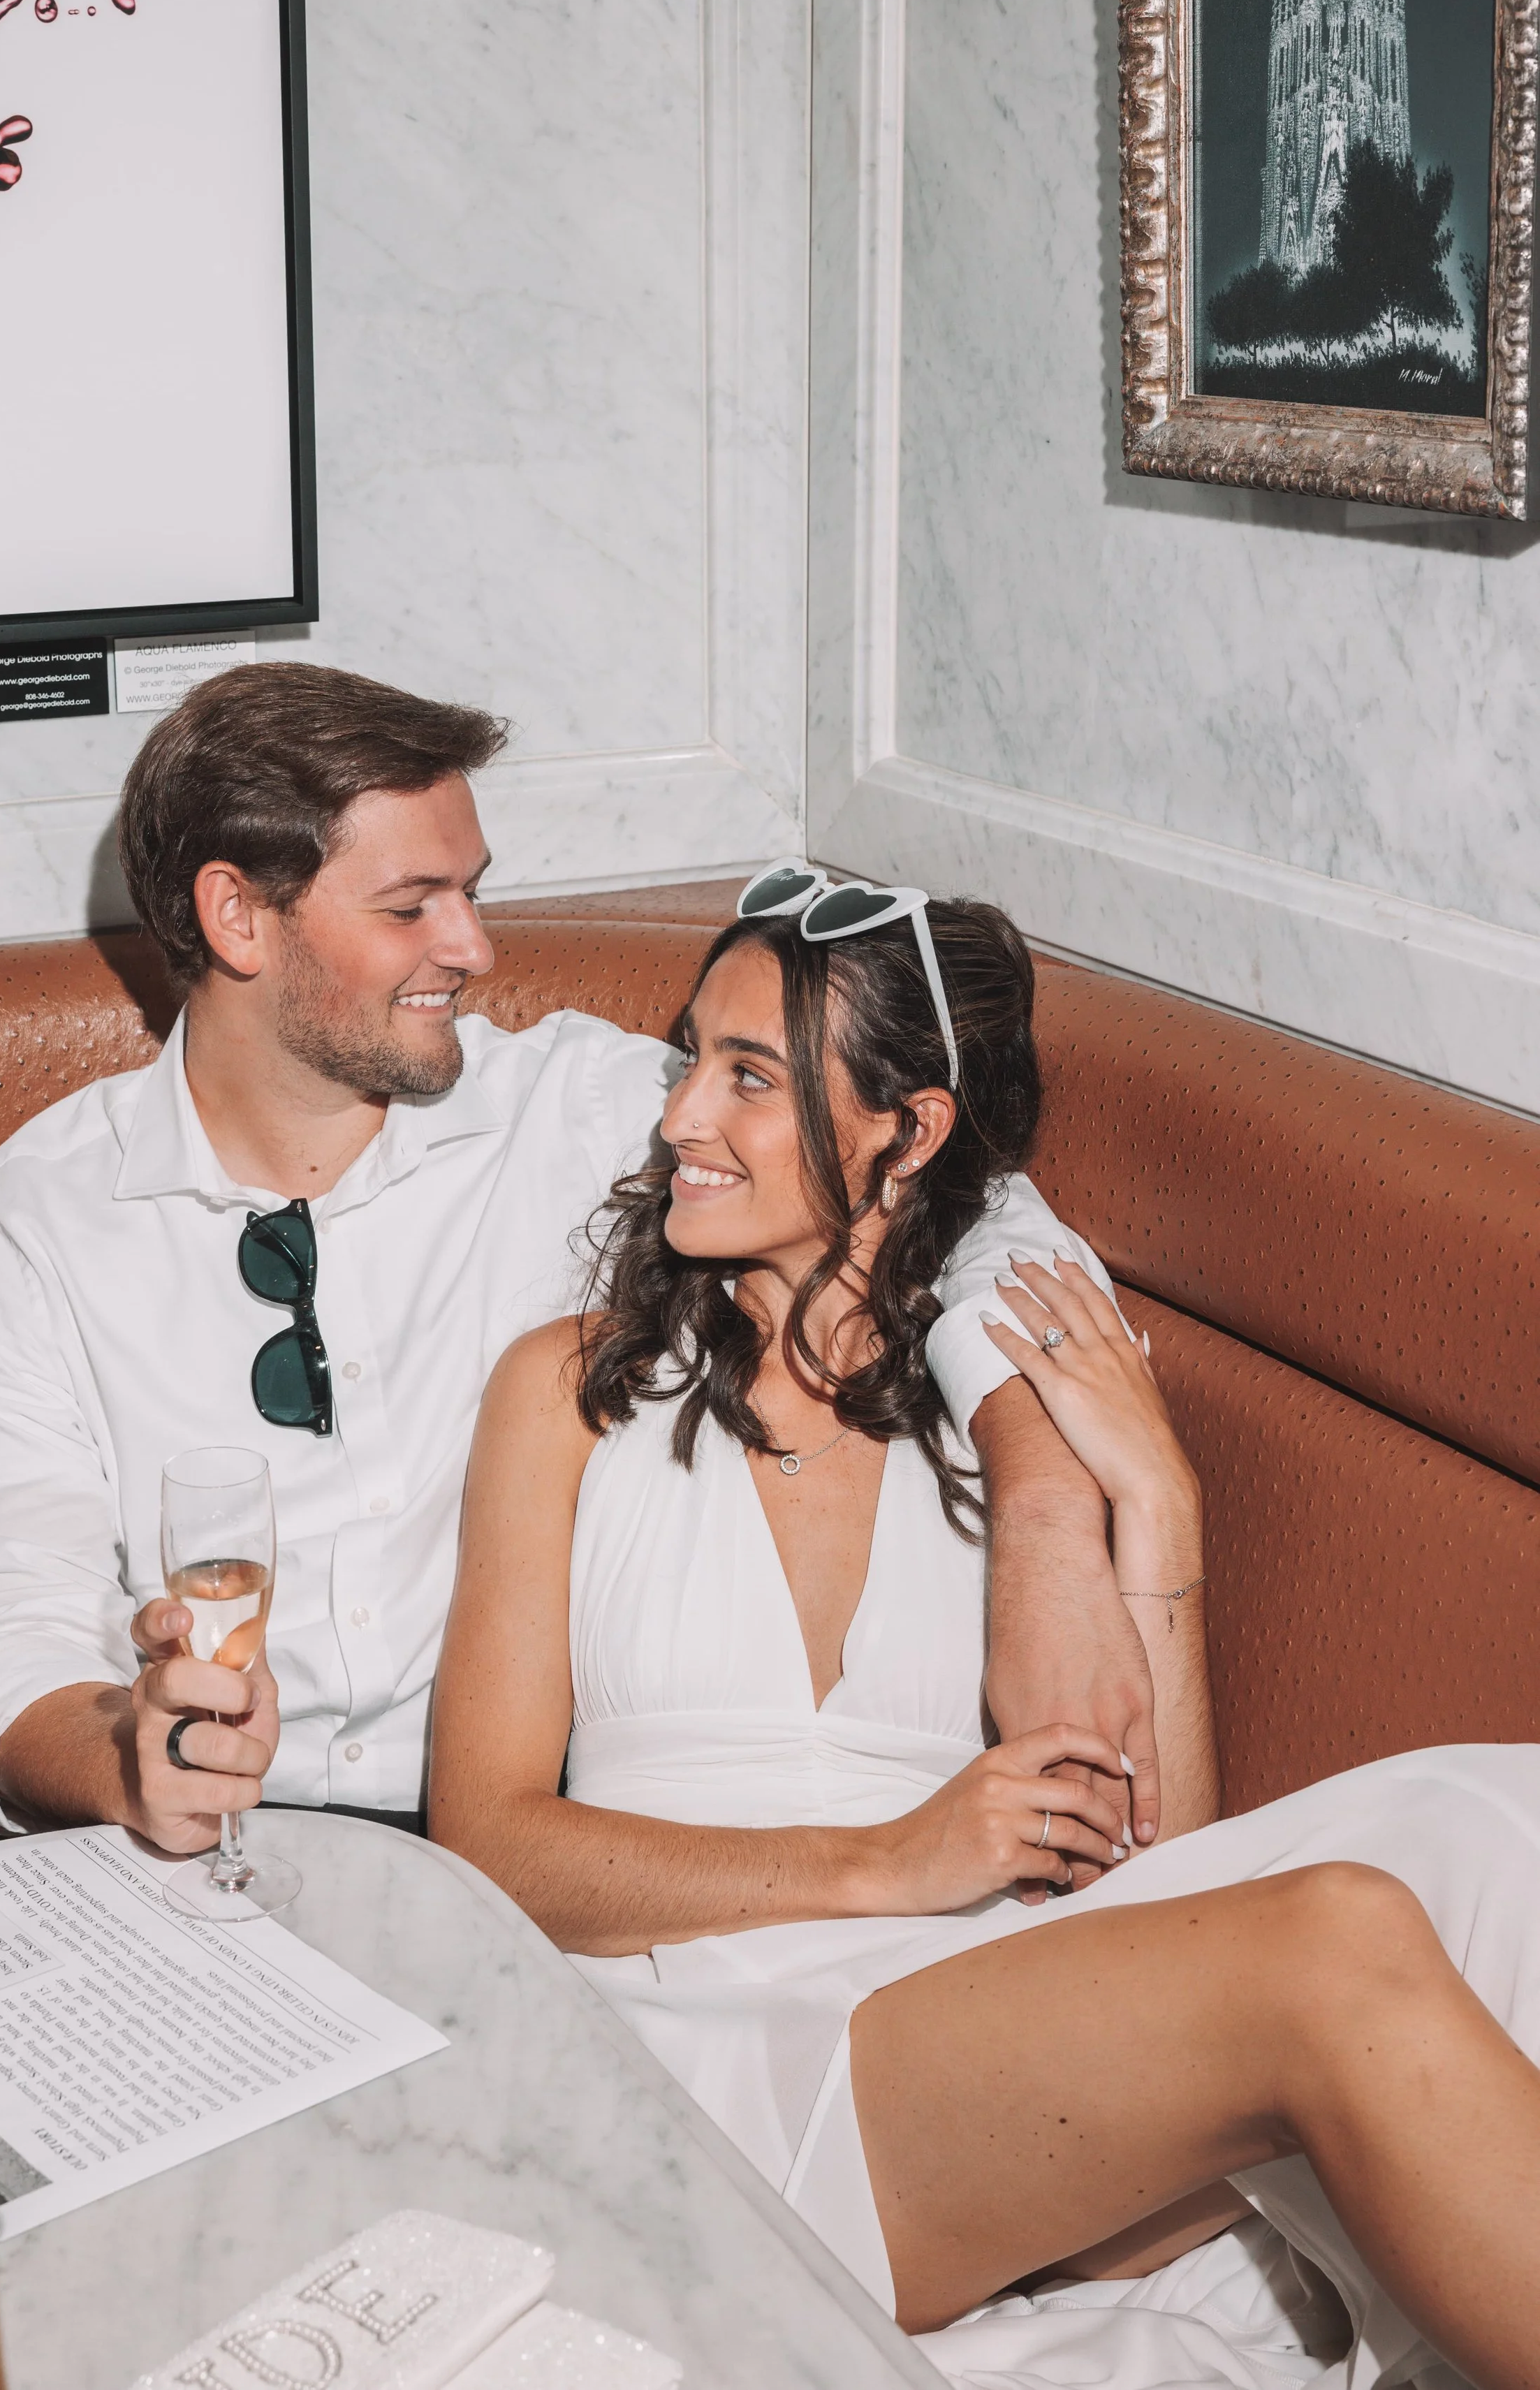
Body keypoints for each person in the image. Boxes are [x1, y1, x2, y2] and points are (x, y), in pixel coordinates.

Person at [428, 895, 1540, 2389]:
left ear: (906, 1132)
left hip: (1009, 2052)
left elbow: (1162, 1875)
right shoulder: (568, 1391)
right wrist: (892, 1859)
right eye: (692, 1059)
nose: (680, 1113)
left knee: (1497, 1820)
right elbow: (489, 1844)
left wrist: (1159, 1509)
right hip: (721, 2051)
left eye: (747, 1076)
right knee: (1338, 1937)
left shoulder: (1023, 1406)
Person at [0, 664, 1149, 1856]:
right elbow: (1, 1642)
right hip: (187, 1859)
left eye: (473, 892)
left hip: (516, 1853)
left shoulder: (582, 1109)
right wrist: (130, 1755)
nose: (472, 948)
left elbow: (956, 1195)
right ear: (237, 916)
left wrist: (1043, 1507)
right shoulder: (37, 1230)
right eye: (412, 906)